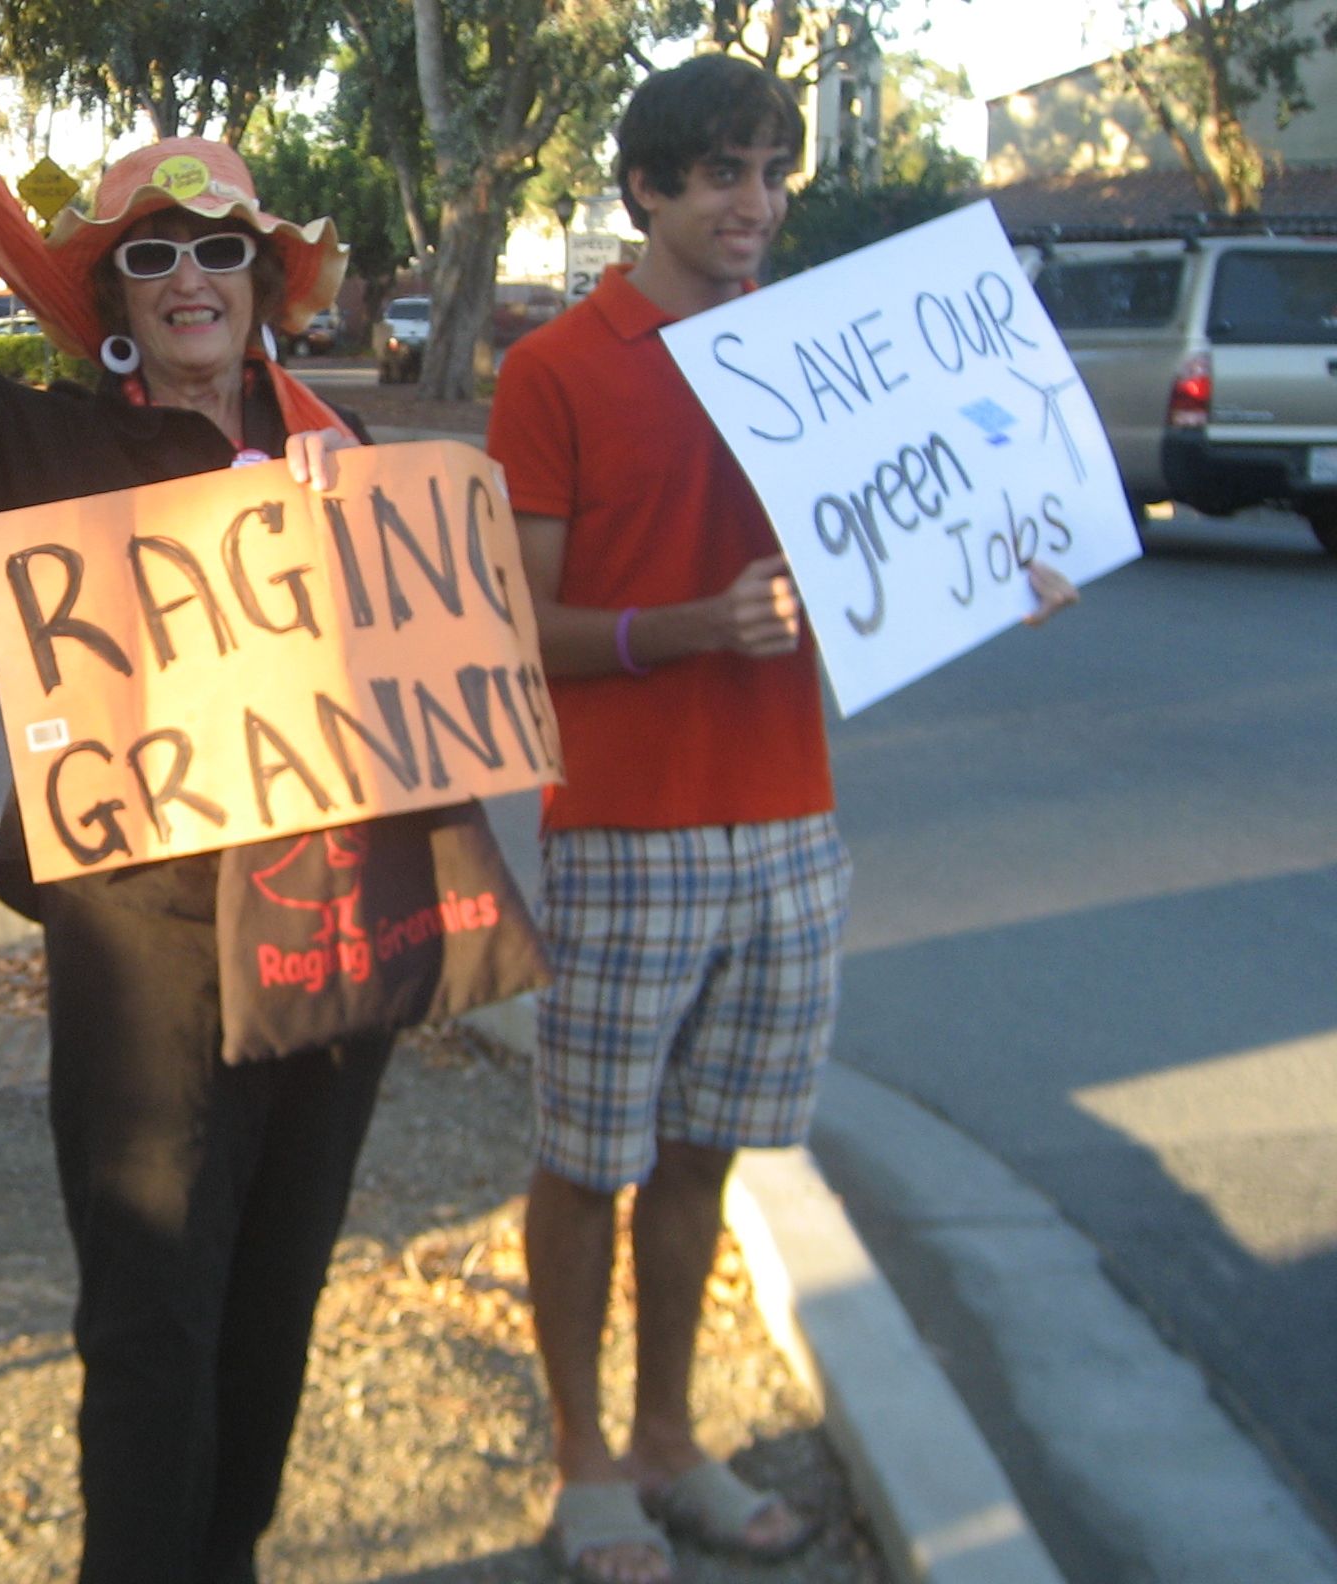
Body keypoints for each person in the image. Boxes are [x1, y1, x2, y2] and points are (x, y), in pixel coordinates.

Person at [0, 4, 469, 1579]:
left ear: (266, 285)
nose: (189, 277)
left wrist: (351, 527)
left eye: (220, 249)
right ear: (117, 303)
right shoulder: (60, 455)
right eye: (152, 257)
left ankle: (228, 1554)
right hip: (149, 945)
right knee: (154, 1308)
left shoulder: (345, 448)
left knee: (278, 1296)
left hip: (330, 931)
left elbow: (439, 667)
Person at [486, 56, 1076, 1584]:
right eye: (721, 175)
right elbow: (517, 630)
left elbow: (923, 522)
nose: (754, 204)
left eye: (771, 173)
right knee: (587, 1162)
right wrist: (691, 627)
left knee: (705, 1156)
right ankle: (583, 1460)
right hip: (625, 830)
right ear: (646, 191)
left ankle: (667, 1439)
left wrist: (1002, 567)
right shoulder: (557, 369)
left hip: (793, 827)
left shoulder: (822, 354)